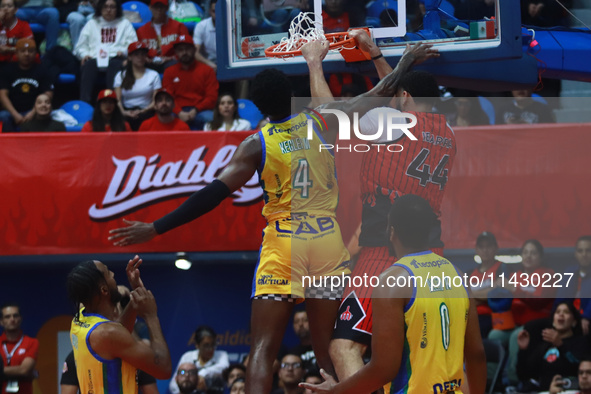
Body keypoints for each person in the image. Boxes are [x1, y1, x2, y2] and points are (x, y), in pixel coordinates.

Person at [109, 39, 419, 392]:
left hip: (284, 240)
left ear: (257, 106)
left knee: (261, 348)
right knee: (328, 350)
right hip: (326, 241)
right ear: (292, 96)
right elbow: (379, 93)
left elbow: (212, 195)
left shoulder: (256, 143)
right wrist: (404, 61)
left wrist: (156, 227)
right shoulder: (321, 121)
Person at [302, 32, 450, 381]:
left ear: (405, 96)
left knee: (345, 347)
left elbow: (328, 114)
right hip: (431, 255)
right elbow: (396, 93)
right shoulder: (447, 132)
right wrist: (376, 55)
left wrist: (314, 62)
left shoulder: (390, 122)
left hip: (386, 252)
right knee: (398, 351)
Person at [300, 194, 487, 394]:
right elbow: (476, 355)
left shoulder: (392, 282)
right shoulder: (458, 275)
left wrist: (338, 390)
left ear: (391, 232)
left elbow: (383, 368)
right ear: (428, 232)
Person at [66, 255, 172, 392]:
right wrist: (151, 316)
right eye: (108, 272)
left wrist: (136, 295)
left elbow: (119, 331)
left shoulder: (79, 319)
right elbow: (163, 368)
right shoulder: (107, 334)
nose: (113, 274)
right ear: (104, 290)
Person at [74, 0, 137, 103]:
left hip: (116, 57)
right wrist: (84, 55)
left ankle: (112, 102)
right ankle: (84, 103)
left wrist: (125, 52)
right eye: (105, 7)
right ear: (100, 8)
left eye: (112, 7)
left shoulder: (124, 23)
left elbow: (133, 44)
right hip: (95, 57)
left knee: (115, 65)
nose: (108, 10)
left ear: (117, 9)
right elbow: (80, 46)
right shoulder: (92, 23)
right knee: (88, 65)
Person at [517, 302, 590, 391]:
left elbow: (578, 369)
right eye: (557, 312)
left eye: (566, 312)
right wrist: (523, 350)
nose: (561, 314)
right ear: (553, 321)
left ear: (574, 322)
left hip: (569, 390)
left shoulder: (581, 342)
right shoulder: (545, 344)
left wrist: (561, 345)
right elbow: (524, 375)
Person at [162, 34, 218, 130]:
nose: (184, 52)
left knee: (213, 118)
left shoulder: (207, 70)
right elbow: (168, 97)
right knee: (163, 117)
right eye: (180, 50)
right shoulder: (169, 71)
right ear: (176, 52)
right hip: (176, 111)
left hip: (200, 110)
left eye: (187, 49)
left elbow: (212, 97)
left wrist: (195, 110)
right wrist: (179, 112)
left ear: (194, 50)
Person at [0, 38, 53, 132]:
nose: (27, 54)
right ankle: (8, 145)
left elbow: (48, 94)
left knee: (43, 115)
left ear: (36, 53)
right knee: (3, 116)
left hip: (34, 111)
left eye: (30, 51)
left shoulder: (43, 70)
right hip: (12, 111)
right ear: (16, 53)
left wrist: (33, 112)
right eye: (23, 51)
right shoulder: (7, 70)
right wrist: (15, 114)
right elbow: (3, 95)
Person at [114, 41, 161, 130]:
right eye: (136, 54)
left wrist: (143, 111)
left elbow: (155, 101)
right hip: (126, 111)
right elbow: (118, 100)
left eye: (143, 54)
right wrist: (124, 112)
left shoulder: (153, 75)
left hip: (147, 111)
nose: (140, 57)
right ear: (130, 57)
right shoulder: (120, 75)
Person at [169, 326, 228, 394]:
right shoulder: (187, 356)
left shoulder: (222, 355)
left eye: (213, 345)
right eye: (206, 345)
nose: (211, 349)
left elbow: (224, 368)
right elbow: (174, 383)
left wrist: (202, 374)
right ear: (197, 345)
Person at [469, 231, 506, 337]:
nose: (485, 250)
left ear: (496, 248)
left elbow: (498, 295)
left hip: (492, 318)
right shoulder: (469, 273)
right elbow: (463, 296)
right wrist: (488, 291)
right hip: (470, 316)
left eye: (488, 246)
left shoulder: (503, 268)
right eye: (481, 247)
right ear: (476, 249)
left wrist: (472, 294)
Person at [136, 0, 188, 72]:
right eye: (156, 7)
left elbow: (187, 49)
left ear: (167, 8)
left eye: (162, 6)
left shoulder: (179, 27)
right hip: (149, 62)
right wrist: (144, 58)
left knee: (178, 65)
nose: (159, 9)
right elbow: (138, 50)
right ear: (150, 8)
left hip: (171, 62)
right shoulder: (141, 31)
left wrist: (172, 58)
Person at [556, 236, 591, 336]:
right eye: (580, 251)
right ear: (576, 254)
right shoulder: (569, 272)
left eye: (588, 250)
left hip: (586, 318)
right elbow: (560, 298)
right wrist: (556, 316)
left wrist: (586, 317)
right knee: (534, 327)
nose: (584, 254)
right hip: (568, 317)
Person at [0, 303, 38, 394]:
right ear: (1, 321)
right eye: (7, 317)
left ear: (20, 318)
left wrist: (1, 372)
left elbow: (24, 369)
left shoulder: (32, 342)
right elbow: (24, 371)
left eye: (15, 316)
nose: (12, 319)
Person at [0, 0, 33, 64]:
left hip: (15, 64)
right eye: (3, 6)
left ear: (15, 10)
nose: (5, 9)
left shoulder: (23, 25)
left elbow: (29, 46)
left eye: (9, 6)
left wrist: (10, 49)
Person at [287, 309, 316, 374]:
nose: (300, 324)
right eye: (296, 321)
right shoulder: (291, 353)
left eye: (305, 320)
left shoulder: (325, 349)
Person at [192, 0, 216, 70]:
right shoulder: (201, 26)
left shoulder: (230, 24)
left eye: (219, 11)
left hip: (225, 63)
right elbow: (195, 53)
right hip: (207, 63)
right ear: (210, 11)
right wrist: (209, 63)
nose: (217, 14)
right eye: (214, 11)